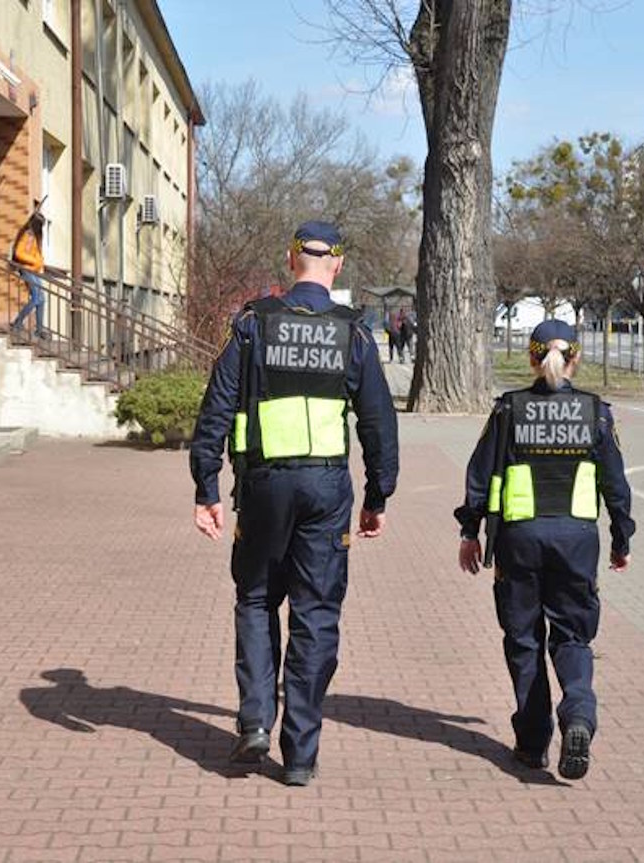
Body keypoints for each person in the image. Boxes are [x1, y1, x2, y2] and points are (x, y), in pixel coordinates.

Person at [189, 220, 399, 786]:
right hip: (326, 492)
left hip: (262, 486)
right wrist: (379, 493)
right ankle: (300, 755)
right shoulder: (353, 333)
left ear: (290, 261)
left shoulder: (254, 325)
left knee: (256, 600)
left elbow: (216, 407)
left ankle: (255, 722)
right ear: (338, 265)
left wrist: (206, 487)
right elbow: (378, 422)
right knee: (316, 614)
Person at [454, 319, 635, 781]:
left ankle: (532, 743)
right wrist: (621, 539)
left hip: (519, 539)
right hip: (575, 540)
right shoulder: (595, 412)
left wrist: (470, 531)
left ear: (533, 359)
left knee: (524, 639)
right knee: (573, 636)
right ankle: (577, 711)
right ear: (576, 357)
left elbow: (479, 474)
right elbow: (616, 484)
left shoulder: (508, 410)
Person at [10, 213, 48, 339]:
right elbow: (19, 253)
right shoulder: (28, 235)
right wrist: (34, 261)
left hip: (33, 270)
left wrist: (40, 261)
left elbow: (36, 253)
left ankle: (40, 329)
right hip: (26, 269)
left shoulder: (35, 237)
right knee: (36, 298)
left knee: (41, 299)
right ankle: (18, 322)